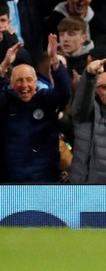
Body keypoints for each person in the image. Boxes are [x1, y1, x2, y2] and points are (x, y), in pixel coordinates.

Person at [0, 38, 71, 182]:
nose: (24, 85)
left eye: (28, 80)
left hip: (46, 178)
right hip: (12, 179)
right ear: (11, 84)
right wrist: (4, 66)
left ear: (36, 83)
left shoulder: (45, 100)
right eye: (19, 80)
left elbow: (64, 92)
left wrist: (55, 60)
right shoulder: (5, 103)